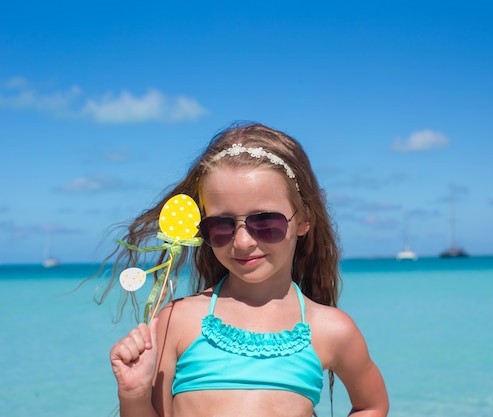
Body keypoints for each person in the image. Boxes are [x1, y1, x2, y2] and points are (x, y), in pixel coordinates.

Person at [107, 122, 389, 417]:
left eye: (265, 223)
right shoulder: (178, 320)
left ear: (304, 219)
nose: (242, 242)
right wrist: (134, 395)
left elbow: (372, 405)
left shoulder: (332, 330)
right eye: (220, 225)